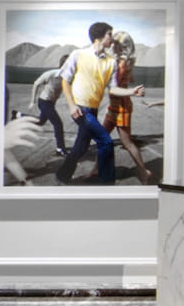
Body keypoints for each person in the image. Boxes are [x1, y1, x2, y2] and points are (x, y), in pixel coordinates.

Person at [59, 22, 143, 185]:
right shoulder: (78, 54)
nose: (112, 38)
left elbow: (114, 89)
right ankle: (106, 181)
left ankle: (62, 175)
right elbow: (65, 80)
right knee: (106, 141)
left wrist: (132, 92)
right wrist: (71, 105)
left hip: (93, 110)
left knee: (81, 146)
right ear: (99, 37)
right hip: (80, 109)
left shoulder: (111, 62)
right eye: (110, 34)